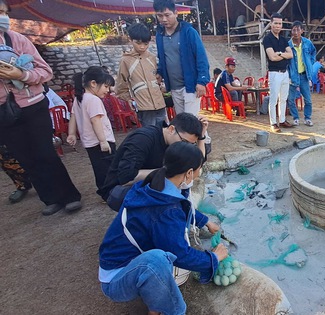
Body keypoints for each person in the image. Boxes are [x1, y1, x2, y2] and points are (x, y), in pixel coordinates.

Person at [98, 141, 228, 315]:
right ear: (189, 173)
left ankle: (155, 305)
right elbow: (181, 255)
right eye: (199, 169)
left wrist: (205, 221)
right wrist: (213, 258)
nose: (199, 174)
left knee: (162, 253)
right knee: (157, 260)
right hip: (115, 280)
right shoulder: (166, 211)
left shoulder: (155, 185)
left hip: (119, 262)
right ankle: (175, 311)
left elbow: (183, 207)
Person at [0, 0, 81, 216]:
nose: (2, 17)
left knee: (45, 153)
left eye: (4, 12)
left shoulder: (17, 39)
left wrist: (22, 75)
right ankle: (50, 199)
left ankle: (69, 196)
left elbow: (45, 72)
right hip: (4, 113)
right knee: (26, 158)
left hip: (33, 106)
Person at [98, 112, 208, 211]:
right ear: (171, 129)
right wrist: (167, 171)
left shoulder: (176, 142)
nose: (186, 146)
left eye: (191, 144)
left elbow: (197, 165)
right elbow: (125, 177)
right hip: (118, 190)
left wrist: (201, 137)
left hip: (146, 184)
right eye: (184, 141)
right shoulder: (143, 138)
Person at [154, 0, 210, 117]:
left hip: (191, 86)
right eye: (160, 15)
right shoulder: (160, 35)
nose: (164, 19)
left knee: (189, 121)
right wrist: (160, 72)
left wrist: (201, 81)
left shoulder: (189, 32)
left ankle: (203, 135)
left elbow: (201, 57)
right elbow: (162, 58)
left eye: (167, 15)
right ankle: (204, 135)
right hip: (174, 88)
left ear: (176, 13)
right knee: (183, 122)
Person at [67, 66, 117, 193]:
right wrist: (103, 141)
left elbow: (73, 116)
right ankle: (111, 192)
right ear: (93, 83)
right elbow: (95, 120)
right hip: (101, 141)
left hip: (89, 143)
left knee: (99, 168)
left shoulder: (79, 98)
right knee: (109, 168)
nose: (108, 90)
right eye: (106, 86)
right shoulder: (93, 99)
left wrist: (71, 134)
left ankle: (104, 191)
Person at [116, 23, 167, 128]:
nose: (142, 47)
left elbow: (157, 78)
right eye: (138, 43)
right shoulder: (126, 60)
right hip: (143, 106)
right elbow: (121, 85)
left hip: (159, 103)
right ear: (130, 40)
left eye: (146, 43)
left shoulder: (151, 57)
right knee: (150, 133)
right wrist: (129, 99)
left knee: (163, 132)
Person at [262, 12, 293, 133]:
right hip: (274, 73)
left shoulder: (284, 39)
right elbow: (272, 57)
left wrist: (279, 54)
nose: (278, 26)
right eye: (276, 23)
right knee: (273, 99)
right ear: (271, 24)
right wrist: (282, 55)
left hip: (285, 73)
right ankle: (273, 123)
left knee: (283, 98)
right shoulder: (267, 39)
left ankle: (282, 120)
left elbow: (290, 55)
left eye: (280, 23)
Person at [285, 21, 316, 127]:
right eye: (294, 30)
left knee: (308, 99)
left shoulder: (307, 43)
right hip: (293, 75)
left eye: (298, 29)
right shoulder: (288, 45)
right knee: (291, 99)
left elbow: (313, 52)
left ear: (302, 31)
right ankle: (296, 118)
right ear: (291, 31)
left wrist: (310, 64)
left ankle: (307, 118)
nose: (296, 32)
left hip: (304, 75)